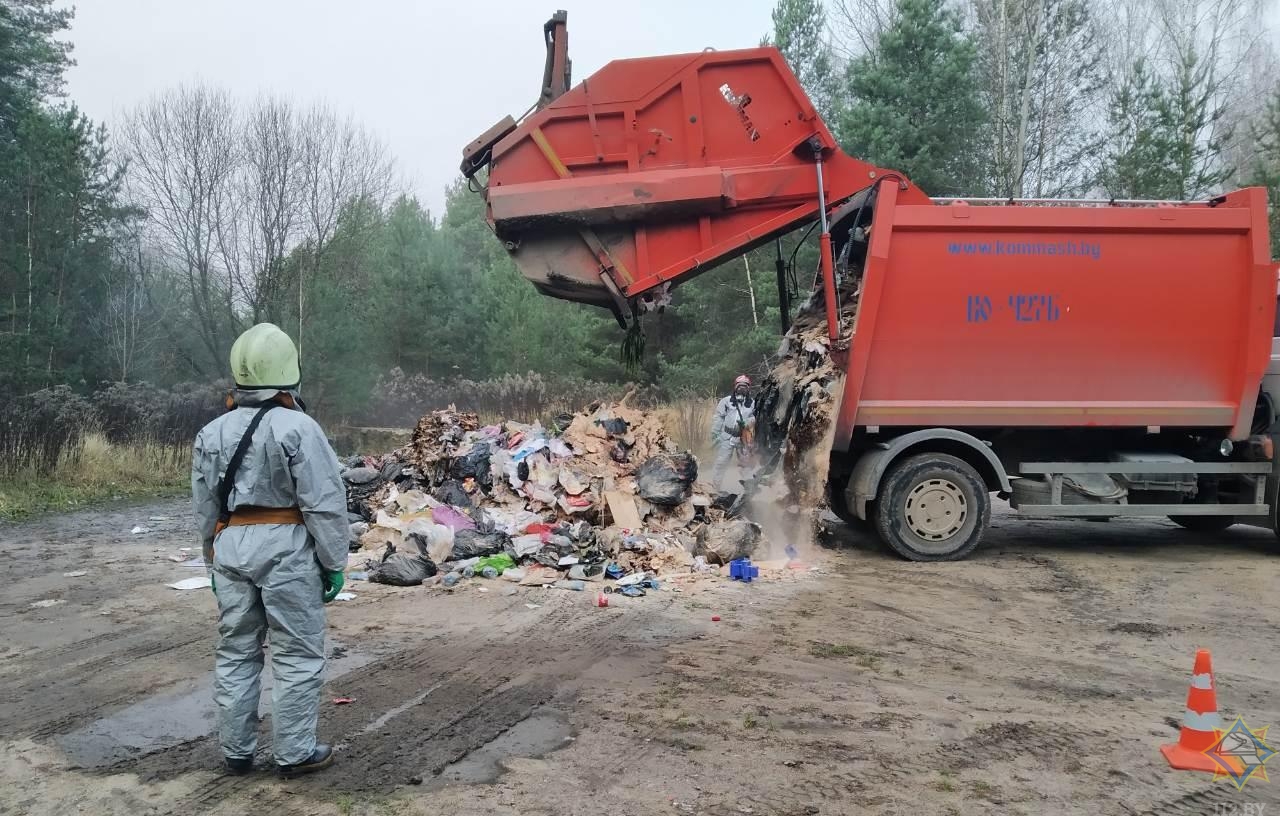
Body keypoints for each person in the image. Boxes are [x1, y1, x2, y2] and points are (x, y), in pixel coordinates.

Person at [192, 323, 348, 778]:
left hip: (231, 547)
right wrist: (333, 562)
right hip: (287, 548)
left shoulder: (211, 433)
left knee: (236, 651)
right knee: (296, 654)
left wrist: (211, 561)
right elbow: (322, 501)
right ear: (288, 370)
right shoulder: (299, 427)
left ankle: (236, 752)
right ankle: (294, 753)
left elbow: (204, 507)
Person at [710, 374, 757, 490]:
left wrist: (746, 423)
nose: (742, 388)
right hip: (727, 437)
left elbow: (755, 418)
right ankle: (715, 488)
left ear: (748, 388)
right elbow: (719, 417)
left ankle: (749, 489)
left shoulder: (752, 403)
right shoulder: (726, 401)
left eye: (745, 386)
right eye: (739, 386)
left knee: (746, 464)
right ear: (735, 387)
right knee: (721, 463)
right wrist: (715, 432)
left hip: (743, 438)